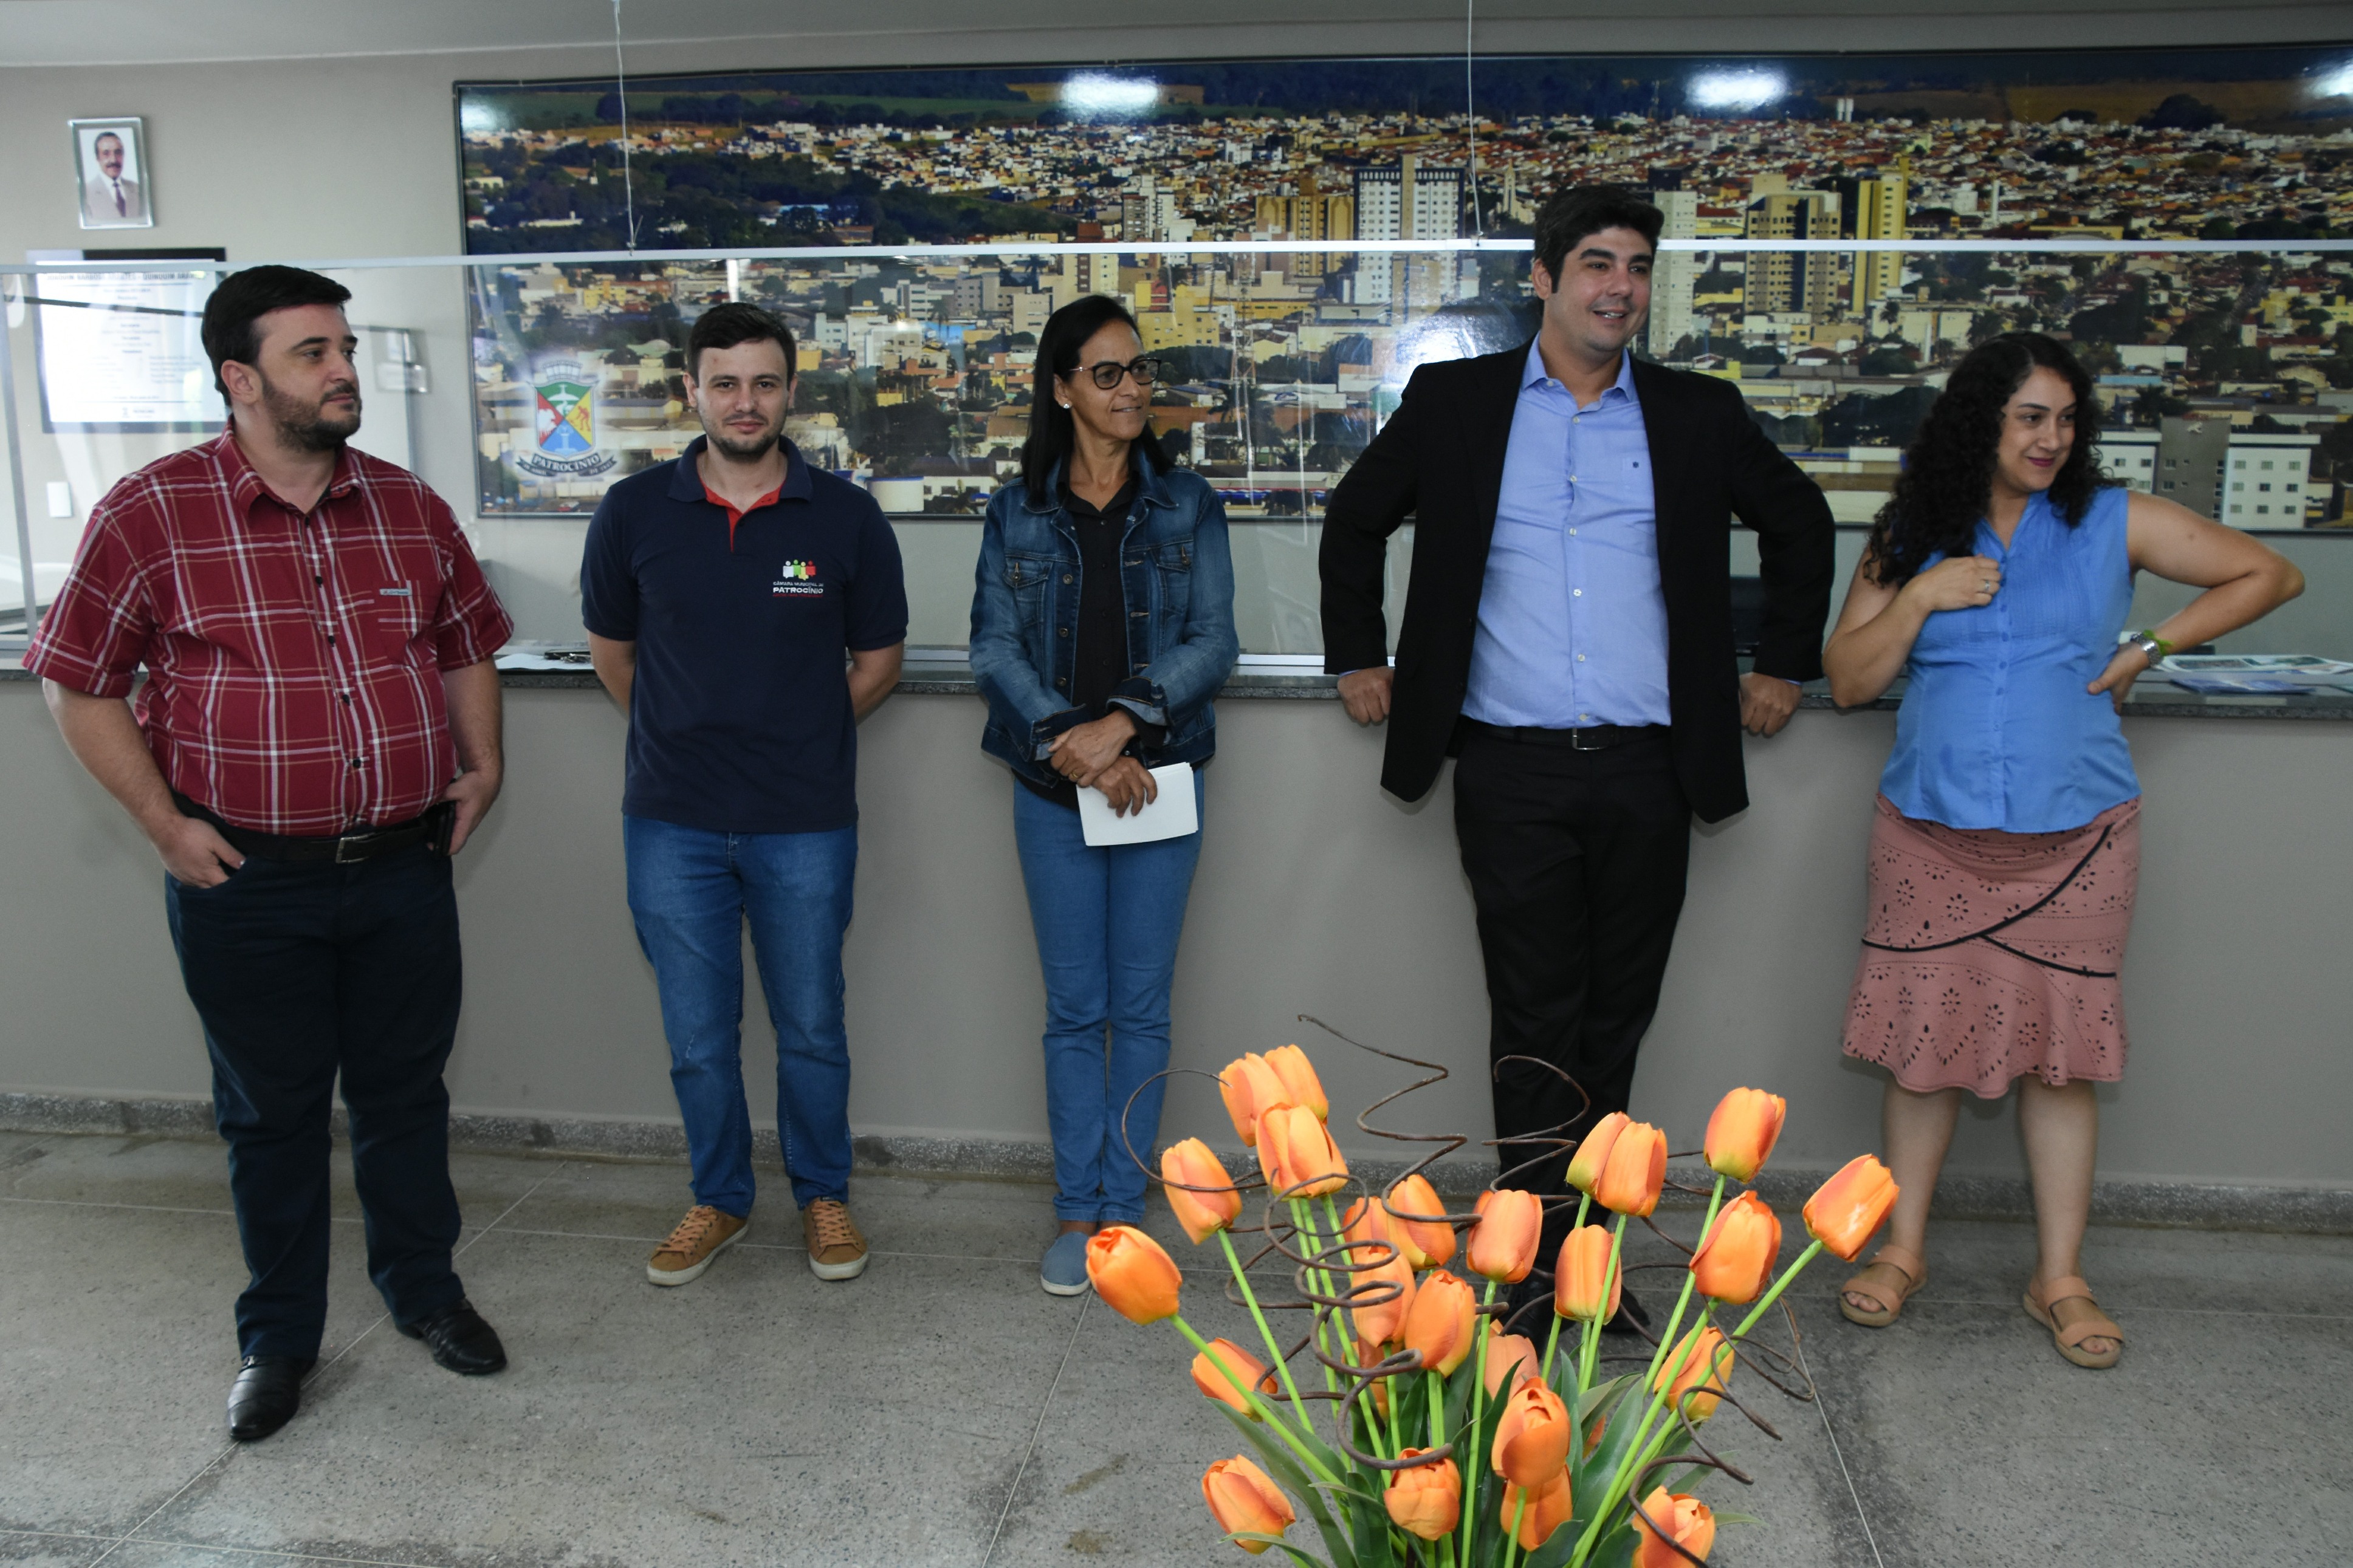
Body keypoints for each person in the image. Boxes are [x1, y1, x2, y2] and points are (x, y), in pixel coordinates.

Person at [1317, 184, 1835, 1334]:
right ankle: (1527, 1273)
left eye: (1639, 266)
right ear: (1545, 279)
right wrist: (1356, 655)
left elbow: (1801, 524)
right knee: (1533, 1024)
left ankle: (1588, 1268)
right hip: (1512, 769)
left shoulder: (1697, 413)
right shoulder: (1457, 402)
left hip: (1651, 769)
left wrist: (1781, 665)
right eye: (1598, 262)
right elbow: (1355, 521)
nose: (1621, 287)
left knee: (1616, 1025)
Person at [27, 265, 516, 1442]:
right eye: (313, 353)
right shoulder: (151, 512)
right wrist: (164, 824)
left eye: (343, 347)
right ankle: (280, 1340)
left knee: (404, 1098)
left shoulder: (406, 505)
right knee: (271, 1117)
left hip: (401, 868)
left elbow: (464, 642)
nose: (344, 369)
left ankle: (425, 1292)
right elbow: (78, 683)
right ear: (240, 379)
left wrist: (484, 763)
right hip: (245, 881)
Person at [1822, 332, 2301, 1370]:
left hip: (2078, 838)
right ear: (1980, 422)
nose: (2052, 438)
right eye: (2030, 417)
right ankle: (1901, 1252)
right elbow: (1851, 680)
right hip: (1929, 830)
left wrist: (2150, 647)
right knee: (1921, 1059)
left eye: (2067, 419)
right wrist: (1919, 596)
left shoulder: (2112, 520)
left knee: (2063, 1062)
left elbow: (2270, 572)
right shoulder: (1910, 531)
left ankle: (2060, 1277)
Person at [582, 301, 907, 1290]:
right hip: (670, 820)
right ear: (692, 392)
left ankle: (822, 1195)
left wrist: (796, 736)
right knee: (696, 1037)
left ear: (791, 392)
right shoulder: (632, 511)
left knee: (811, 1026)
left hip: (803, 821)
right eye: (724, 383)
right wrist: (687, 736)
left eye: (764, 383)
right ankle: (719, 1199)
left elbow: (878, 662)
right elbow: (612, 655)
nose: (744, 401)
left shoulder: (845, 516)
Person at [969, 295, 1238, 1295]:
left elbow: (1214, 640)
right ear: (1063, 389)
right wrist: (1070, 742)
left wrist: (1119, 724)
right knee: (1076, 1010)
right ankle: (1075, 1208)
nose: (1132, 389)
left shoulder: (1187, 503)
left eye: (1139, 370)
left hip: (1158, 779)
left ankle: (1125, 1209)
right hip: (1053, 786)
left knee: (1143, 1007)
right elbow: (992, 646)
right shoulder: (1016, 509)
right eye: (1108, 373)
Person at [81, 130, 147, 225]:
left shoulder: (139, 190)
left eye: (118, 153)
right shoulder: (86, 193)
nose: (113, 160)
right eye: (106, 154)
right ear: (98, 158)